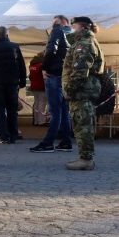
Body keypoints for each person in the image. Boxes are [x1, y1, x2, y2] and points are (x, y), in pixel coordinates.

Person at [62, 17, 105, 171]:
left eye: (73, 26)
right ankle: (84, 156)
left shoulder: (84, 43)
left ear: (81, 27)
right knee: (81, 124)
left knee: (83, 125)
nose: (71, 28)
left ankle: (86, 159)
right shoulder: (83, 42)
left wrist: (69, 90)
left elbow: (80, 71)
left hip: (82, 91)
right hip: (83, 91)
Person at [30, 15, 74, 153]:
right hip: (66, 77)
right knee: (64, 112)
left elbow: (50, 50)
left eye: (53, 22)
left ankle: (48, 143)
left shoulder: (57, 30)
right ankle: (65, 142)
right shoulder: (74, 35)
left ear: (59, 22)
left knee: (55, 112)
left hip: (54, 75)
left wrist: (44, 68)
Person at [0, 26, 26, 144]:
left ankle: (4, 136)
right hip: (12, 84)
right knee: (12, 110)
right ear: (7, 35)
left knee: (0, 111)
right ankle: (13, 135)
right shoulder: (15, 47)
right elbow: (21, 66)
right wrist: (22, 82)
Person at [28, 51, 49, 126]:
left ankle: (36, 121)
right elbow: (45, 76)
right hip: (41, 86)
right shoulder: (41, 65)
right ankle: (41, 121)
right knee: (42, 104)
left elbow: (30, 76)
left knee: (36, 103)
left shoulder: (32, 65)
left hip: (34, 87)